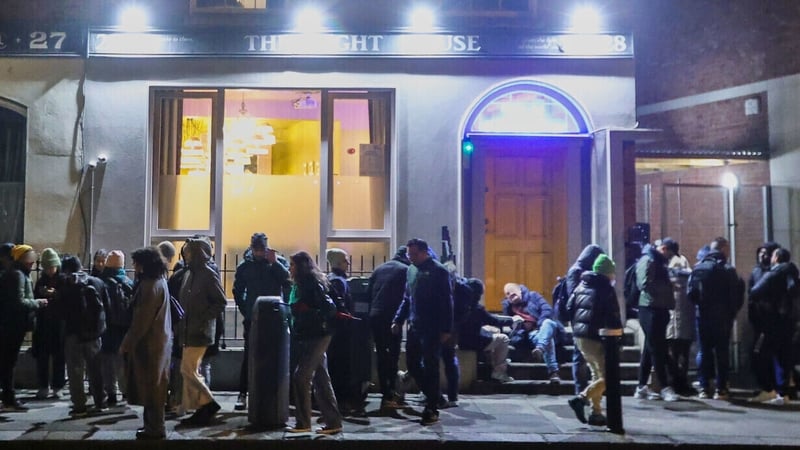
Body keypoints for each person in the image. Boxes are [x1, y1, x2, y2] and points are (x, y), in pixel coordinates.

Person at [392, 238, 453, 426]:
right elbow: (407, 298)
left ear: (425, 252)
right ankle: (433, 394)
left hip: (432, 327)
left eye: (414, 254)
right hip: (414, 325)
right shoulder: (411, 270)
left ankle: (431, 408)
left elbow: (447, 301)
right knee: (412, 363)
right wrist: (398, 319)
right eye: (409, 254)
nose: (411, 258)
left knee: (431, 364)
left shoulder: (438, 271)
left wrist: (446, 328)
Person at [286, 251, 343, 435]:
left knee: (300, 377)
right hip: (310, 335)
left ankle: (303, 423)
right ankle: (333, 422)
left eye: (293, 265)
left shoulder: (310, 284)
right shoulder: (301, 284)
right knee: (321, 379)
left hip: (317, 335)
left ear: (300, 267)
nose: (290, 268)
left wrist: (307, 311)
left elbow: (329, 308)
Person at [232, 232, 290, 411]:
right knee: (250, 354)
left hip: (274, 316)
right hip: (254, 317)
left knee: (275, 354)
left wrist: (275, 263)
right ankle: (244, 392)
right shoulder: (245, 266)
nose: (258, 253)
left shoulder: (276, 262)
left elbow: (288, 281)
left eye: (261, 249)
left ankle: (273, 392)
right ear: (252, 248)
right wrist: (247, 310)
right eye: (256, 249)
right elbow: (237, 290)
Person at [120, 247, 173, 440]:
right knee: (153, 386)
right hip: (158, 341)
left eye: (136, 263)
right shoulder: (159, 282)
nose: (133, 266)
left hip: (150, 343)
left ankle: (155, 428)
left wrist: (128, 342)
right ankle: (151, 426)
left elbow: (142, 319)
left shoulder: (150, 286)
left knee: (152, 387)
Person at [566, 254, 623, 427]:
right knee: (609, 377)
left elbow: (569, 308)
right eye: (612, 272)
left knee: (596, 373)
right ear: (607, 273)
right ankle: (581, 399)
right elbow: (613, 315)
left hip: (580, 336)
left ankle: (596, 413)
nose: (614, 276)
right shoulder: (605, 288)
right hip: (596, 337)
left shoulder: (581, 284)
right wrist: (618, 336)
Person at [687, 237, 745, 400]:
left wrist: (700, 306)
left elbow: (690, 294)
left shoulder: (698, 269)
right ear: (723, 249)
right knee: (722, 352)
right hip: (723, 318)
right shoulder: (728, 270)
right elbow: (736, 295)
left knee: (704, 351)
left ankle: (704, 386)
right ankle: (721, 389)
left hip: (703, 316)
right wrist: (732, 313)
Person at [178, 237, 226, 425]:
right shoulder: (190, 273)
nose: (186, 254)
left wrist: (203, 317)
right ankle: (200, 408)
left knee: (187, 369)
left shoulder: (207, 274)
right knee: (191, 370)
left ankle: (208, 403)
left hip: (199, 330)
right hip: (188, 329)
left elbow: (220, 302)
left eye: (189, 251)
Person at [747, 247, 798, 405]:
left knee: (759, 354)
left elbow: (755, 291)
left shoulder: (774, 273)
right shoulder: (793, 271)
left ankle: (768, 389)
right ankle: (783, 394)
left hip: (772, 322)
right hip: (789, 321)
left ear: (776, 258)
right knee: (784, 357)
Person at [59, 255, 108, 416]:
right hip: (94, 334)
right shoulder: (97, 282)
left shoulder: (65, 284)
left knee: (75, 371)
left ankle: (79, 405)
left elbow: (61, 311)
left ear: (66, 269)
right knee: (96, 369)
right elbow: (106, 306)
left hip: (73, 334)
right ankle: (101, 401)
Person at [0, 245, 48, 410]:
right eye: (31, 257)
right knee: (8, 362)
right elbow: (18, 301)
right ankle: (8, 398)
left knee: (8, 362)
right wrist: (38, 303)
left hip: (12, 324)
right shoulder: (17, 275)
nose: (34, 261)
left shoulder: (16, 273)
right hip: (13, 325)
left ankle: (8, 396)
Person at [632, 240, 678, 402]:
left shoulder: (656, 261)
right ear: (664, 249)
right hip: (650, 309)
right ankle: (664, 387)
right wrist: (668, 288)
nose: (670, 258)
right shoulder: (648, 260)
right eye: (670, 254)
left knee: (650, 347)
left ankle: (641, 386)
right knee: (657, 348)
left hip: (657, 308)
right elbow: (644, 284)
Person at [367, 246, 410, 409]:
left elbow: (368, 293)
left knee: (381, 355)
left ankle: (385, 392)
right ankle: (390, 393)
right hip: (392, 318)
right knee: (392, 356)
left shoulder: (379, 269)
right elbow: (407, 297)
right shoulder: (406, 270)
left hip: (375, 316)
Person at [325, 248, 363, 416]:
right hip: (341, 332)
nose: (348, 263)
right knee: (341, 367)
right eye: (345, 260)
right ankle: (341, 401)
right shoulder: (339, 281)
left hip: (334, 331)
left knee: (334, 366)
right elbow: (341, 307)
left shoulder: (331, 279)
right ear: (338, 263)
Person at [564, 244, 605, 395]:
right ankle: (580, 389)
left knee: (583, 356)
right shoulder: (577, 271)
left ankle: (587, 391)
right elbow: (575, 297)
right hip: (579, 320)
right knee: (579, 356)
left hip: (583, 319)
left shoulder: (582, 270)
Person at [502, 283, 563, 384]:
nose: (511, 296)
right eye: (508, 294)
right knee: (547, 339)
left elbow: (547, 310)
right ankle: (553, 372)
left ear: (520, 291)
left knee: (548, 323)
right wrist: (522, 327)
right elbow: (511, 325)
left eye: (513, 292)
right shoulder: (508, 307)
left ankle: (540, 348)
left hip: (544, 326)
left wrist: (539, 323)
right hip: (531, 333)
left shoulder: (533, 296)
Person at [457, 278, 517, 382]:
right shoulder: (477, 308)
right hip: (472, 342)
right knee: (503, 339)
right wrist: (512, 320)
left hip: (461, 339)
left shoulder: (460, 305)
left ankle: (493, 362)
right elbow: (494, 321)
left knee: (493, 333)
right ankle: (499, 371)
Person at [98, 250, 134, 405]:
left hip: (106, 328)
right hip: (123, 328)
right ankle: (126, 391)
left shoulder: (101, 281)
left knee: (107, 362)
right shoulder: (127, 282)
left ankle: (111, 393)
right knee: (122, 362)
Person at [662, 239, 696, 397]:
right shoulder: (685, 264)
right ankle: (682, 383)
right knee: (683, 354)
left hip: (675, 320)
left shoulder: (674, 266)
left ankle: (677, 384)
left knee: (675, 354)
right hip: (685, 319)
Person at [32, 248, 66, 400]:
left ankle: (58, 386)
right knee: (43, 357)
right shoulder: (41, 281)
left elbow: (67, 299)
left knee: (59, 356)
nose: (50, 270)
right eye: (47, 268)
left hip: (59, 323)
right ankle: (43, 386)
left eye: (52, 267)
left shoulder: (63, 280)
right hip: (43, 323)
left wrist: (56, 295)